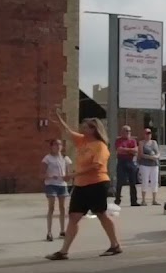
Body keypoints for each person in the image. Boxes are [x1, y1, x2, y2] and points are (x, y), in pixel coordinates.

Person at [46, 111, 122, 260]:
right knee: (74, 216)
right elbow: (68, 132)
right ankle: (63, 251)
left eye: (86, 127)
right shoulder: (83, 141)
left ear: (94, 129)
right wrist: (59, 119)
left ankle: (115, 245)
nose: (82, 129)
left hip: (97, 183)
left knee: (101, 214)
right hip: (81, 185)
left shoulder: (100, 146)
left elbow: (96, 166)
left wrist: (73, 175)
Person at [42, 139, 69, 242]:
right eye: (55, 145)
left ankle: (62, 230)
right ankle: (49, 232)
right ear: (51, 146)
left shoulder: (65, 158)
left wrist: (68, 177)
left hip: (62, 185)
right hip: (51, 184)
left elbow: (67, 175)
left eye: (59, 145)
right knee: (51, 207)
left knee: (62, 207)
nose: (58, 146)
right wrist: (50, 176)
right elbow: (41, 173)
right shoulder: (47, 158)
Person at [113, 125, 140, 207]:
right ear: (122, 132)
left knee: (133, 182)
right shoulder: (119, 140)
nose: (128, 132)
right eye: (126, 131)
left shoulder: (133, 141)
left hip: (130, 162)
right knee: (120, 182)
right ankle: (117, 200)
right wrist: (130, 150)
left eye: (129, 131)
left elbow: (135, 151)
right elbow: (119, 150)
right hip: (121, 162)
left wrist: (126, 150)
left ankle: (134, 201)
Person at [138, 127, 161, 206]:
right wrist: (149, 157)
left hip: (154, 164)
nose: (148, 135)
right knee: (145, 181)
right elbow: (141, 154)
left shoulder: (154, 142)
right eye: (146, 133)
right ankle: (143, 200)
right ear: (144, 134)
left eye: (149, 133)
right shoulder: (141, 143)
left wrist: (156, 156)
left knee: (155, 181)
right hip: (145, 164)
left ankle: (154, 199)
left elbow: (158, 152)